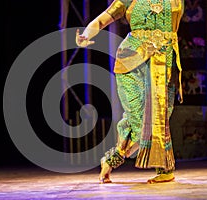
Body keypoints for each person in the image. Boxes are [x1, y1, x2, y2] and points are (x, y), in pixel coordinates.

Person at [76, 0, 184, 184]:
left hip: (164, 63)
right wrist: (86, 35)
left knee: (159, 119)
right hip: (131, 63)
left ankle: (115, 160)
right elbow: (101, 21)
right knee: (141, 120)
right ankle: (163, 167)